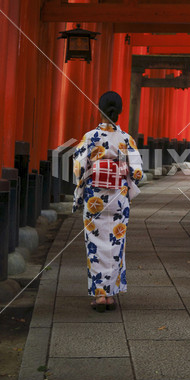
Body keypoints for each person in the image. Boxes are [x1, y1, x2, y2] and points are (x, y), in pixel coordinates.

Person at [72, 91, 143, 312]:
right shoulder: (126, 138)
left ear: (99, 110)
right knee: (116, 243)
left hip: (95, 195)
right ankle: (111, 295)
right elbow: (138, 172)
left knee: (95, 244)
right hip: (119, 196)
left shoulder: (90, 137)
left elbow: (78, 167)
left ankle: (99, 296)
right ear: (120, 112)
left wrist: (86, 180)